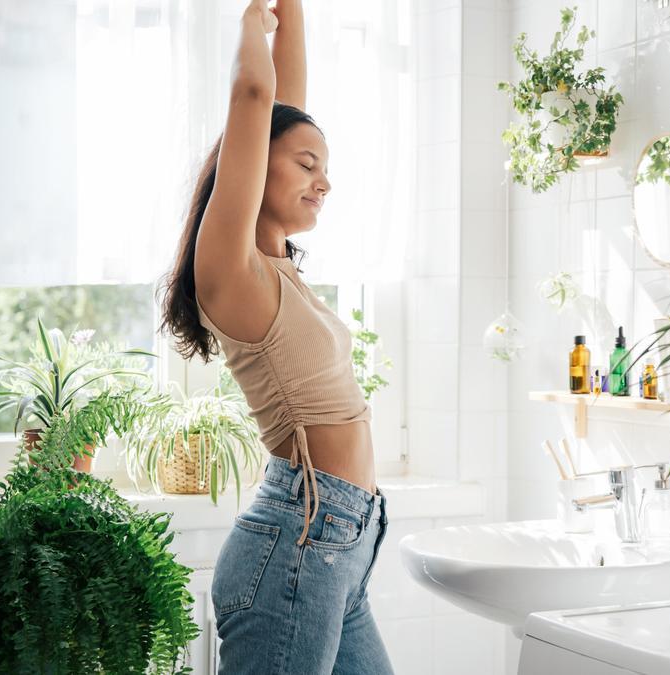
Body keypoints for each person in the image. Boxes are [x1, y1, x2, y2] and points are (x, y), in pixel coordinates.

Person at [158, 1, 392, 672]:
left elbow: (281, 103)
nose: (326, 180)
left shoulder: (278, 263)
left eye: (325, 166)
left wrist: (288, 13)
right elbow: (257, 96)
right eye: (307, 165)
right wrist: (249, 24)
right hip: (298, 543)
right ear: (255, 165)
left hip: (339, 547)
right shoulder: (232, 272)